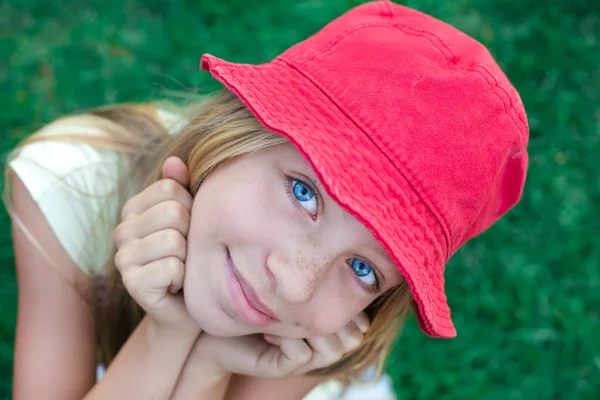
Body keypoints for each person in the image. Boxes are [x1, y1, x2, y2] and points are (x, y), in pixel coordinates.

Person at [4, 1, 529, 399]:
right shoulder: (67, 183)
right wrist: (166, 333)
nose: (296, 284)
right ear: (236, 132)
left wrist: (208, 359)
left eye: (364, 269)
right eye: (305, 194)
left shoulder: (314, 343)